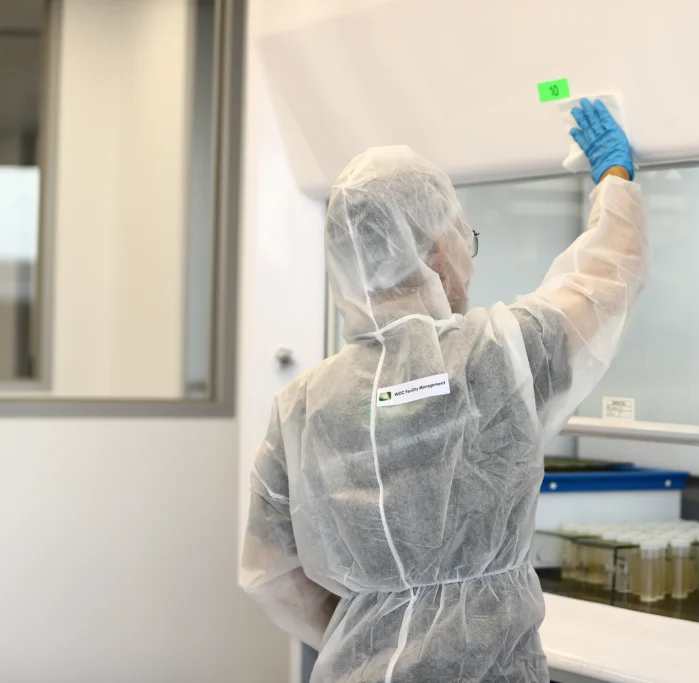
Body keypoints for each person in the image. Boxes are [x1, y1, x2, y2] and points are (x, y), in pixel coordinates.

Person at [241, 98, 648, 683]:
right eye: (465, 238)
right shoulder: (501, 353)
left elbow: (271, 574)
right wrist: (614, 176)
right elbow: (605, 279)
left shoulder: (303, 404)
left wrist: (379, 629)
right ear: (432, 250)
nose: (469, 262)